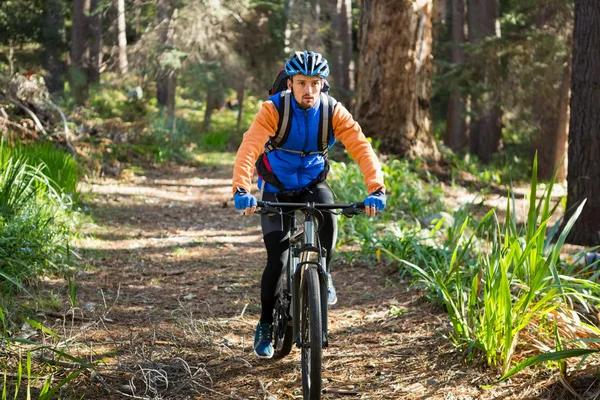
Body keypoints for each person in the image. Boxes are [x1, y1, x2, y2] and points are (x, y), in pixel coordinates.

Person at [231, 50, 386, 359]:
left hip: (312, 184)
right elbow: (250, 147)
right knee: (277, 257)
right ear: (290, 83)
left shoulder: (332, 111)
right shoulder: (273, 109)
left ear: (323, 84)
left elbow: (361, 146)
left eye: (315, 83)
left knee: (328, 217)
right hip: (275, 187)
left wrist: (377, 189)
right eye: (301, 83)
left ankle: (322, 274)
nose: (308, 90)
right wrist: (241, 188)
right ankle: (264, 324)